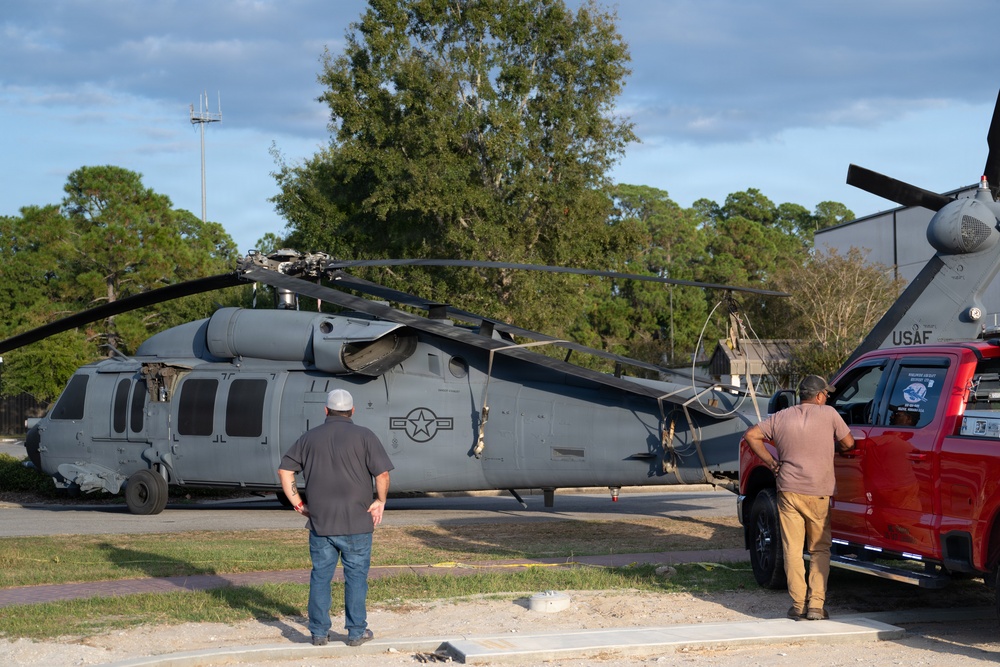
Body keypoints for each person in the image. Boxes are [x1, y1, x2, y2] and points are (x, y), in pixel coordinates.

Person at [278, 388, 394, 647]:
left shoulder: (308, 438)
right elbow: (382, 475)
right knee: (356, 577)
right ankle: (355, 632)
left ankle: (319, 632)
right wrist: (380, 501)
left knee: (321, 575)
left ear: (326, 410)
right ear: (352, 411)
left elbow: (285, 471)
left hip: (321, 523)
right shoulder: (365, 436)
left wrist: (298, 504)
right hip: (357, 522)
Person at [743, 374, 854, 622]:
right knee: (819, 549)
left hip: (788, 491)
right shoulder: (829, 415)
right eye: (826, 394)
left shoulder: (781, 416)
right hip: (818, 492)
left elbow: (751, 435)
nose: (827, 397)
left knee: (792, 549)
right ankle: (816, 606)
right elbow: (849, 443)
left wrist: (772, 462)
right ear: (818, 396)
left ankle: (797, 605)